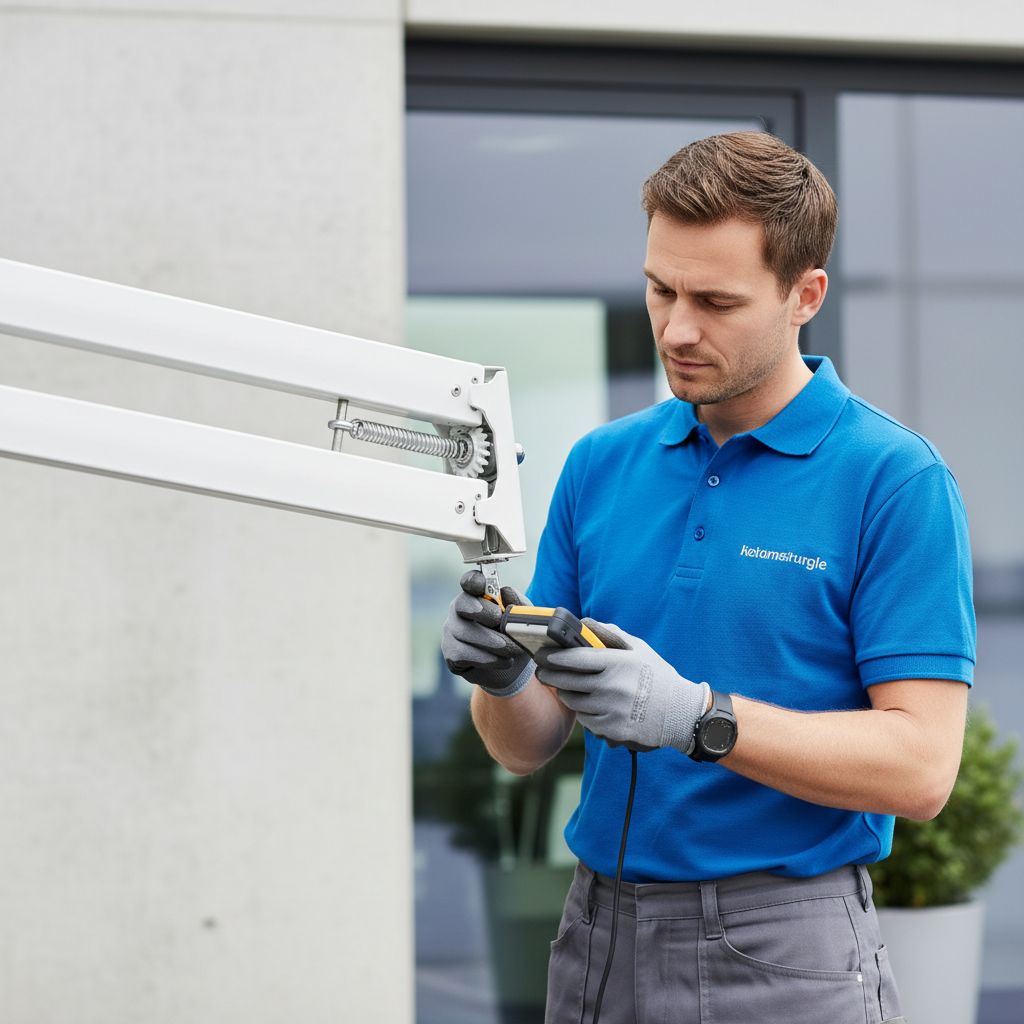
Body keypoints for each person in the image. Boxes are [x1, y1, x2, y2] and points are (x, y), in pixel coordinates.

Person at [441, 131, 974, 1024]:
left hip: (778, 947)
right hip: (595, 936)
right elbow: (523, 746)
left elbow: (921, 768)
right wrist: (503, 676)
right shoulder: (602, 464)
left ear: (806, 296)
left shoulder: (892, 480)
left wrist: (698, 718)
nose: (677, 328)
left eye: (717, 301)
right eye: (660, 290)